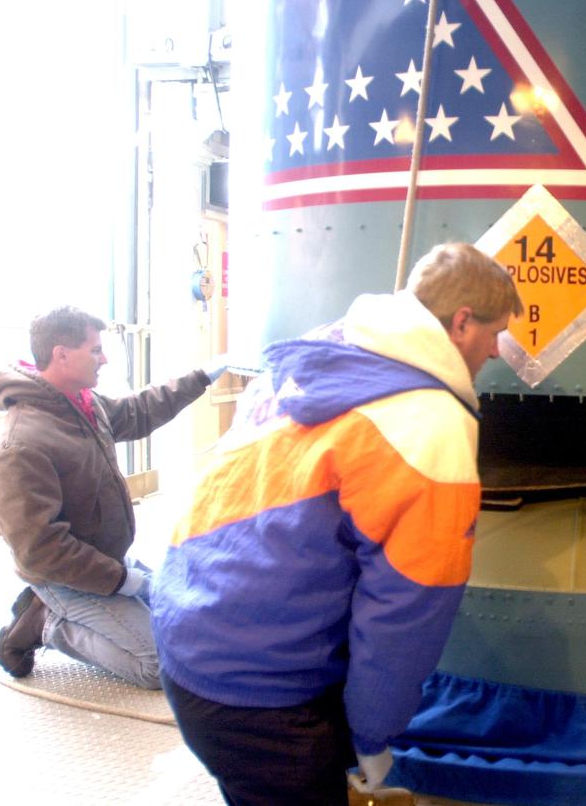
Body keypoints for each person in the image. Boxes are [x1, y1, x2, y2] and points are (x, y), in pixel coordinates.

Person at [151, 242, 522, 806]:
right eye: (495, 333)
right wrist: (373, 737)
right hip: (262, 694)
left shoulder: (326, 346)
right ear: (462, 322)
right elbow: (405, 611)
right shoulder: (428, 425)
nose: (497, 351)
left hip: (188, 626)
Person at [0, 306, 221, 688]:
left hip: (103, 559)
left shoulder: (80, 404)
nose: (104, 358)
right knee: (162, 667)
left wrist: (201, 378)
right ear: (61, 354)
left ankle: (74, 608)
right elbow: (40, 551)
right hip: (64, 576)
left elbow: (138, 412)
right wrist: (126, 581)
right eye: (95, 350)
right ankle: (46, 624)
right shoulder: (21, 446)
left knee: (190, 618)